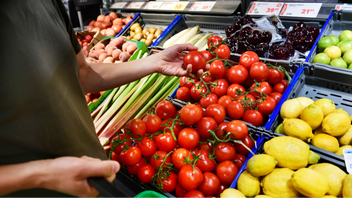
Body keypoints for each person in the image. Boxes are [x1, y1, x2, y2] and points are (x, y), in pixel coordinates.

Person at [0, 0, 203, 197]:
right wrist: (41, 175)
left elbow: (83, 74)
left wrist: (155, 62)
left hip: (95, 176)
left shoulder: (47, 3)